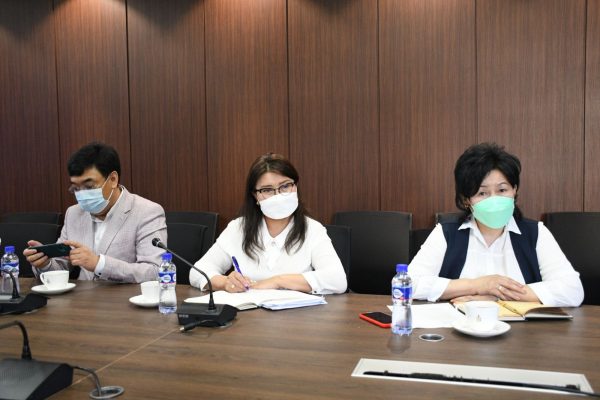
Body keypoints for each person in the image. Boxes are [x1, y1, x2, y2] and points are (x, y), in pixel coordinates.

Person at [408, 143, 584, 307]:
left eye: (502, 190)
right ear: (466, 199)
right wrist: (478, 285)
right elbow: (408, 284)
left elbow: (573, 290)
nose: (494, 200)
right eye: (482, 193)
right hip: (459, 327)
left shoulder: (536, 233)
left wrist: (496, 297)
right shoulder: (446, 233)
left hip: (524, 330)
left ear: (514, 190)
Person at [190, 153, 347, 294]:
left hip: (297, 315)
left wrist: (277, 281)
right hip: (248, 314)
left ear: (296, 186)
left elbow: (337, 280)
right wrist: (225, 283)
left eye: (285, 186)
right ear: (255, 196)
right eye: (267, 190)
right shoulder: (238, 228)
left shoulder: (312, 229)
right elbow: (197, 272)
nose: (278, 195)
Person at [24, 142, 167, 283]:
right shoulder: (73, 213)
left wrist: (99, 264)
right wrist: (45, 263)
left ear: (113, 179)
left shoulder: (147, 212)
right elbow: (61, 266)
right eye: (76, 188)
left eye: (89, 186)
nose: (82, 194)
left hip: (125, 297)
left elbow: (155, 272)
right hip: (81, 297)